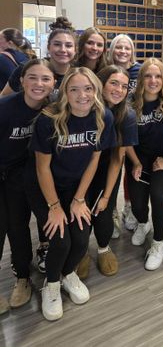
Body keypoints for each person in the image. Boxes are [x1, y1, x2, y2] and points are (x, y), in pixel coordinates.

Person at [29, 67, 115, 321]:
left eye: (88, 89)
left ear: (96, 91)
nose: (82, 95)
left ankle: (67, 274)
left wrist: (79, 199)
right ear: (64, 92)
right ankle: (52, 284)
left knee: (80, 238)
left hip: (75, 187)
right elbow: (41, 168)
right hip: (44, 187)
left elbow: (93, 161)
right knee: (61, 240)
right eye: (74, 89)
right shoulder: (49, 119)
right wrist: (55, 206)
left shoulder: (103, 117)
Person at [0, 59, 56, 313]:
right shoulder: (5, 107)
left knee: (48, 222)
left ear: (53, 83)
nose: (39, 83)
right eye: (32, 77)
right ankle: (22, 277)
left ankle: (49, 260)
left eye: (45, 78)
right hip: (9, 177)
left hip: (41, 176)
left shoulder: (54, 108)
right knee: (16, 226)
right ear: (21, 81)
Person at [77, 65, 138, 279]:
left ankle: (103, 248)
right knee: (79, 216)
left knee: (103, 214)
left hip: (106, 170)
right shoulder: (84, 107)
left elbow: (116, 160)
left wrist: (106, 196)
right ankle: (81, 252)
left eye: (124, 85)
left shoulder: (126, 115)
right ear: (100, 84)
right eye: (113, 83)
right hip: (77, 170)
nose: (119, 90)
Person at [126, 58, 163, 270]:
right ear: (141, 78)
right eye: (148, 76)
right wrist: (134, 163)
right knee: (138, 203)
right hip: (137, 157)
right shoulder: (131, 101)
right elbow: (126, 137)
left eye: (158, 76)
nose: (153, 80)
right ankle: (143, 223)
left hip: (162, 157)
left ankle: (158, 243)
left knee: (158, 196)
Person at [108, 34, 141, 235]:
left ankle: (129, 208)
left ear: (132, 51)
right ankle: (110, 211)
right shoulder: (107, 70)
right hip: (110, 127)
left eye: (126, 48)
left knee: (130, 171)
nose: (122, 51)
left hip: (133, 126)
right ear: (112, 50)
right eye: (118, 47)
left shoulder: (139, 70)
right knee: (111, 169)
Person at [1, 17, 76, 100]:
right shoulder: (27, 68)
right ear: (48, 47)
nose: (63, 50)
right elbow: (4, 98)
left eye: (68, 46)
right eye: (57, 44)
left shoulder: (78, 75)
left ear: (75, 50)